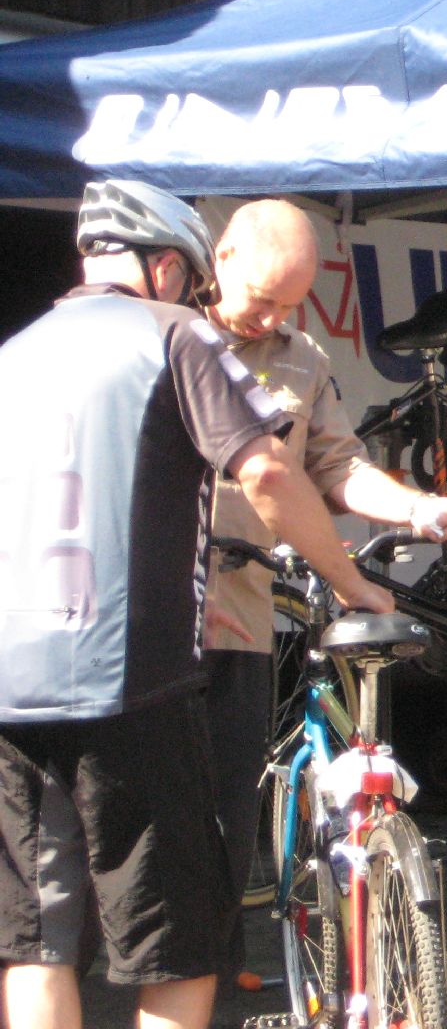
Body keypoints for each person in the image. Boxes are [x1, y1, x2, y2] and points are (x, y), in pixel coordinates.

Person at [0, 181, 395, 1029]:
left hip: (13, 688)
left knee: (39, 943)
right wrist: (349, 581)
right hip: (132, 680)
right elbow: (267, 469)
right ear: (168, 266)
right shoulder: (176, 335)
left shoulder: (16, 352)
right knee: (181, 945)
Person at [199, 199, 447, 967]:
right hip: (155, 627)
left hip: (240, 629)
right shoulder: (167, 337)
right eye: (262, 299)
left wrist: (419, 508)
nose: (271, 320)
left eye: (290, 306)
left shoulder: (303, 359)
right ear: (222, 258)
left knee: (223, 844)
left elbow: (338, 468)